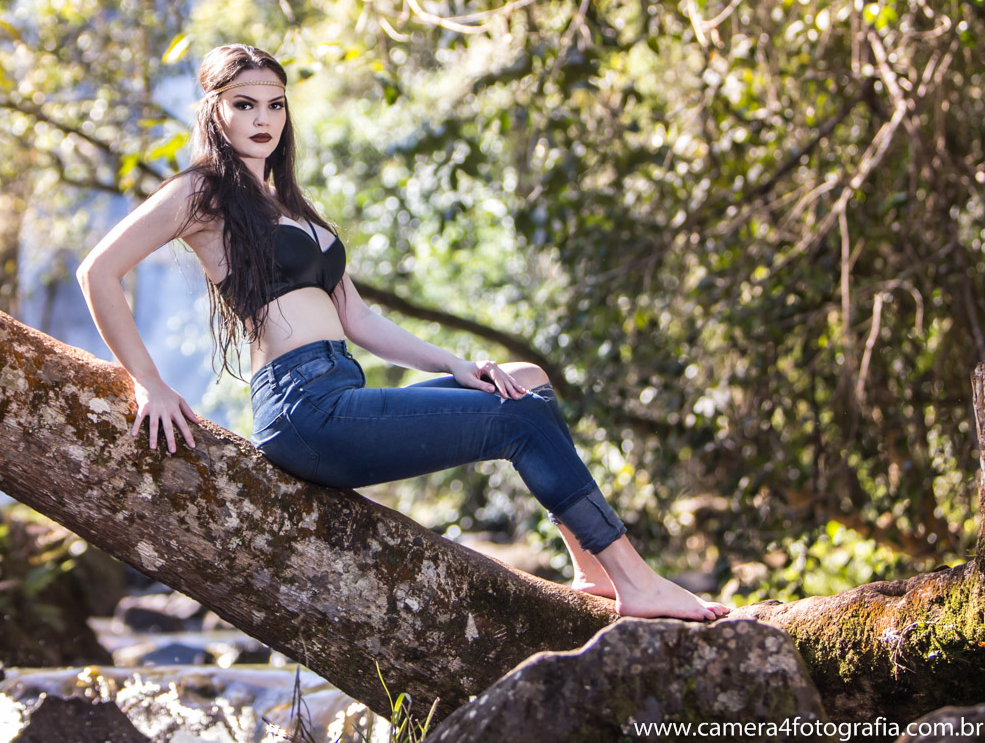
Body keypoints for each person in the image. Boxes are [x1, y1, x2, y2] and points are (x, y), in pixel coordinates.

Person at [77, 43, 729, 622]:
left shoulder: (293, 207)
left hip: (342, 389)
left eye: (275, 105)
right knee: (519, 419)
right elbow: (98, 270)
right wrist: (149, 382)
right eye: (245, 104)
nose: (263, 119)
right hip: (304, 410)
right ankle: (637, 581)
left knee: (524, 381)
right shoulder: (203, 192)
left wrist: (459, 362)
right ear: (214, 110)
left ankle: (591, 568)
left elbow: (360, 321)